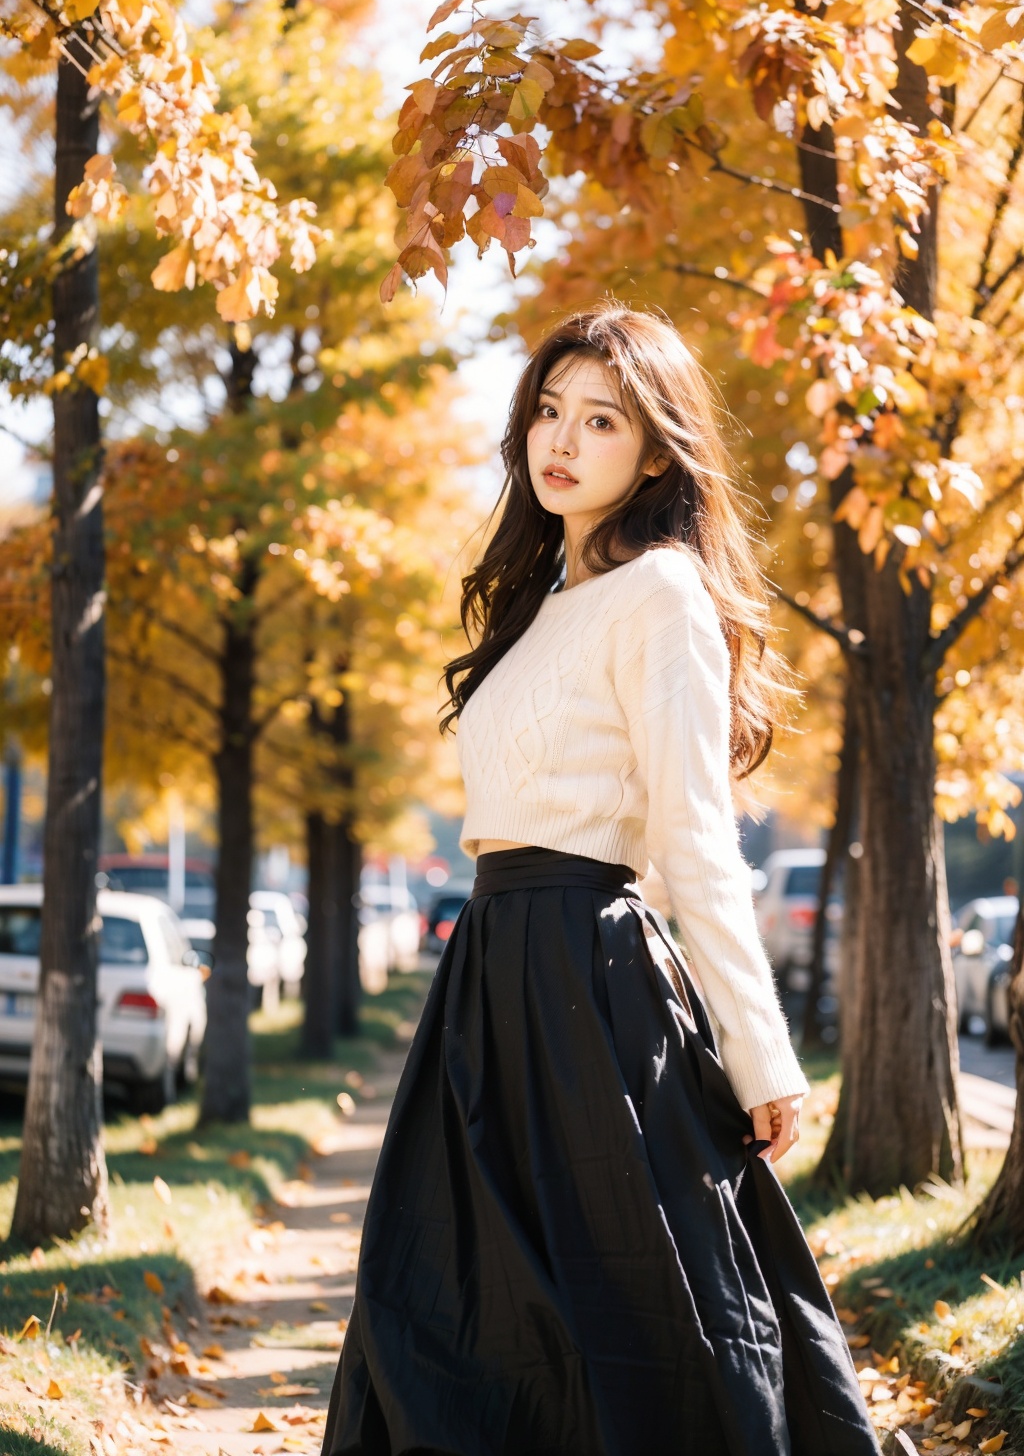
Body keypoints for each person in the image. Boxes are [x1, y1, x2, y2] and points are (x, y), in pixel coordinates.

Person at [321, 304, 878, 1456]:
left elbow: (694, 832)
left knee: (637, 1320)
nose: (559, 440)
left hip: (593, 979)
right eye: (547, 411)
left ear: (657, 450)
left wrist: (761, 1054)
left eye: (601, 420)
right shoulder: (538, 607)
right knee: (442, 1306)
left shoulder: (663, 592)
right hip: (488, 976)